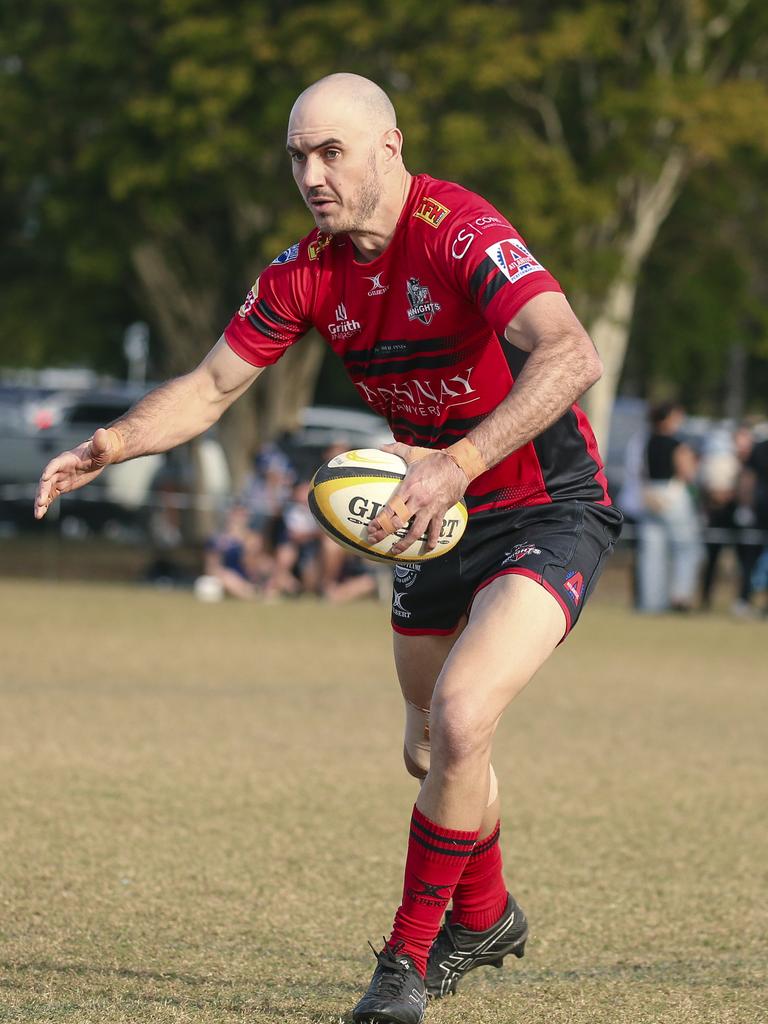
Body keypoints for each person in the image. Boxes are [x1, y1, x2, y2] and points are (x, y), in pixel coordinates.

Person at [34, 73, 622, 1024]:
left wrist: (459, 461)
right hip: (426, 518)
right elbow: (213, 387)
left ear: (390, 147)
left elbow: (572, 353)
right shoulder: (306, 270)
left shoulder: (461, 230)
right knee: (431, 744)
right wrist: (107, 446)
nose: (310, 174)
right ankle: (485, 911)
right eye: (297, 157)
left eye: (330, 152)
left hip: (541, 503)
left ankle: (405, 964)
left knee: (466, 715)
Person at [636, 402, 701, 613]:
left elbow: (641, 471)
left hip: (650, 494)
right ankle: (680, 596)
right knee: (686, 547)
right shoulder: (678, 444)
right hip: (673, 493)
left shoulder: (646, 442)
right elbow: (687, 472)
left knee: (652, 551)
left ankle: (651, 602)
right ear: (667, 419)